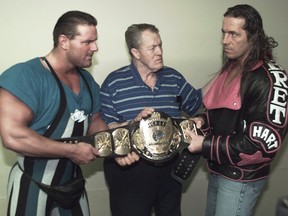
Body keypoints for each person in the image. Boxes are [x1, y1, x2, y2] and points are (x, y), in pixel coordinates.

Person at [0, 11, 108, 216]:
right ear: (64, 41)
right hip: (32, 182)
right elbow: (13, 136)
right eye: (87, 41)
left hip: (73, 187)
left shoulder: (88, 81)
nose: (95, 47)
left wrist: (121, 135)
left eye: (95, 41)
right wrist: (72, 151)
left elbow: (95, 123)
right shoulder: (24, 76)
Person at [186, 4, 288, 216]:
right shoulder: (232, 67)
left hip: (241, 179)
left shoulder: (269, 79)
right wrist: (203, 121)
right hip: (219, 169)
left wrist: (204, 144)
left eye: (234, 34)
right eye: (224, 33)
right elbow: (227, 113)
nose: (225, 41)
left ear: (253, 37)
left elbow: (260, 145)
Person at [100, 23, 203, 216]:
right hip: (130, 170)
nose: (159, 52)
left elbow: (197, 104)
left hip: (170, 169)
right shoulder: (113, 83)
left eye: (160, 45)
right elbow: (104, 131)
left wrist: (200, 120)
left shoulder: (174, 77)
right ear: (136, 52)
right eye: (152, 48)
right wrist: (134, 126)